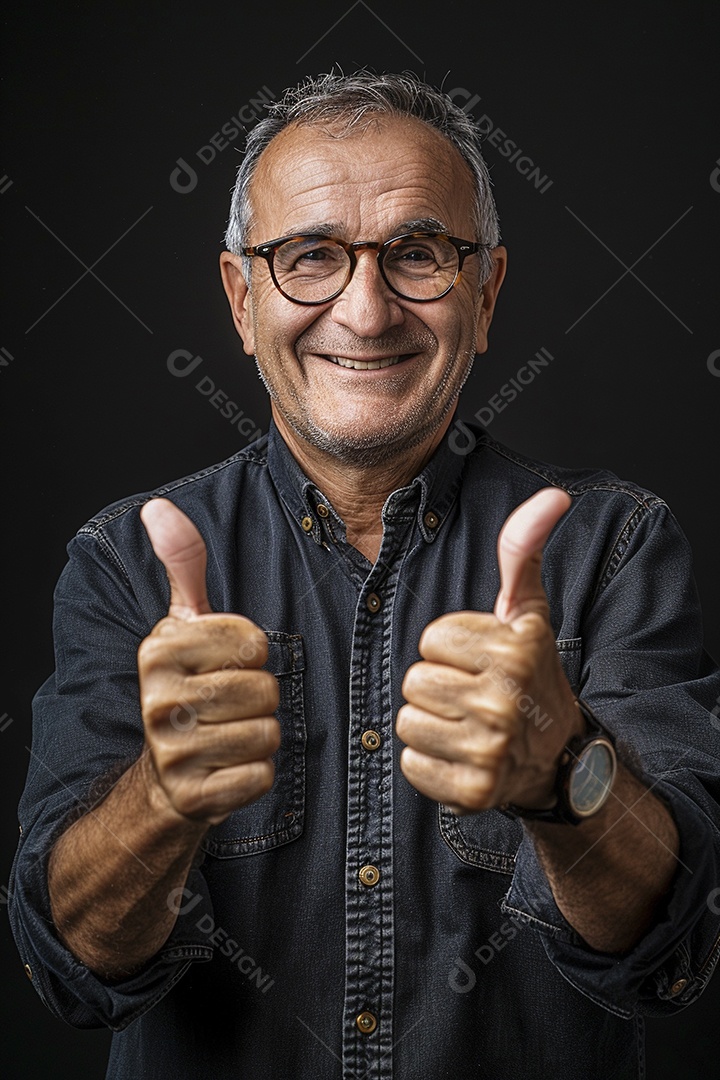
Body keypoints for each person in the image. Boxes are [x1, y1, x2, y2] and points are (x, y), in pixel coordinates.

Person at [9, 70, 720, 1079]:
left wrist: (568, 779)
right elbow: (71, 966)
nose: (367, 308)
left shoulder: (615, 544)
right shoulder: (126, 559)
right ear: (241, 299)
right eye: (310, 258)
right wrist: (163, 802)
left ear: (486, 295)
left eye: (418, 255)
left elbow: (670, 947)